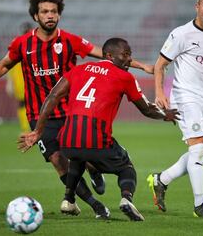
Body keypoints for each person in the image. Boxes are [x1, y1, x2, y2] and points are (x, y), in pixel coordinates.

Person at [0, 0, 152, 218]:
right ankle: (94, 205)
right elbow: (4, 64)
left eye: (53, 11)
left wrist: (141, 66)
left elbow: (108, 54)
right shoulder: (23, 44)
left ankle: (92, 171)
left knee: (81, 152)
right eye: (44, 11)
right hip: (39, 115)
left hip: (71, 112)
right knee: (57, 161)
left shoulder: (70, 41)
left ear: (59, 14)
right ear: (36, 16)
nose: (50, 15)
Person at [17, 37, 179, 221]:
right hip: (96, 140)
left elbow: (52, 96)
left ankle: (68, 200)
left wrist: (38, 130)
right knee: (127, 167)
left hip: (67, 141)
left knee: (78, 157)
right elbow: (146, 109)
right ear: (109, 56)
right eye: (125, 55)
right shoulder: (125, 77)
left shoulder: (77, 70)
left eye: (130, 55)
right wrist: (165, 115)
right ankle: (126, 199)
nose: (128, 60)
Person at [147, 0, 203, 218]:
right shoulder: (181, 34)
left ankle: (161, 180)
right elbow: (160, 65)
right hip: (184, 97)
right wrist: (159, 93)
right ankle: (200, 205)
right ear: (197, 7)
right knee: (196, 148)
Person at [6, 22, 33, 132]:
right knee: (24, 103)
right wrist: (9, 82)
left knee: (30, 104)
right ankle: (26, 129)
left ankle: (29, 128)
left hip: (29, 79)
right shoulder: (17, 45)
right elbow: (9, 63)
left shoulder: (35, 44)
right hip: (21, 79)